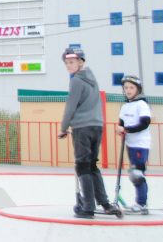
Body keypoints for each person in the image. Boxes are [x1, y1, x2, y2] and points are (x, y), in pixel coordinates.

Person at [57, 47, 122, 219]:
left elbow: (70, 106)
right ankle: (105, 203)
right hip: (97, 125)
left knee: (82, 166)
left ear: (81, 62)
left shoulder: (77, 81)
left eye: (71, 62)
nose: (68, 66)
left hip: (82, 127)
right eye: (66, 63)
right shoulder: (92, 79)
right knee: (92, 165)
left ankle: (88, 207)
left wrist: (63, 128)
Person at [117, 74, 151, 214]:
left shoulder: (142, 104)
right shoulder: (124, 107)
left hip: (140, 144)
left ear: (138, 89)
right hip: (130, 144)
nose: (128, 90)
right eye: (126, 88)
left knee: (137, 174)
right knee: (134, 173)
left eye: (131, 87)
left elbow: (145, 123)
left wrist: (127, 130)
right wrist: (120, 129)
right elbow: (121, 124)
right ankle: (140, 202)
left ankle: (142, 204)